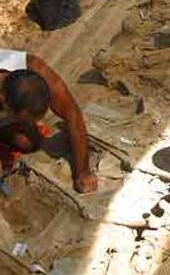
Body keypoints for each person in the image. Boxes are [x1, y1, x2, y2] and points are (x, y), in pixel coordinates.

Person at [0, 49, 97, 193]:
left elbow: (72, 113)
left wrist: (83, 171)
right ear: (5, 103)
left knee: (27, 142)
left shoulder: (34, 66)